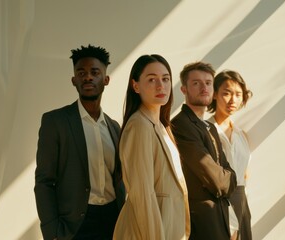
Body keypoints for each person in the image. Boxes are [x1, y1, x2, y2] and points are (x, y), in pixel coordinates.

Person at [34, 45, 125, 240]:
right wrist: (52, 232)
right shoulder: (55, 122)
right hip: (75, 226)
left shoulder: (115, 127)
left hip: (113, 221)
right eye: (81, 72)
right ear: (74, 80)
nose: (88, 77)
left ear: (106, 79)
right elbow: (44, 182)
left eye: (95, 72)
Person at [113, 54, 190, 240]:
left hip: (169, 228)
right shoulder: (139, 125)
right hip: (148, 233)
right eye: (151, 79)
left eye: (165, 79)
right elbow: (142, 194)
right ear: (136, 86)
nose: (160, 86)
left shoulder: (161, 126)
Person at [171, 62, 237, 240]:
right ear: (184, 89)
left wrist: (227, 179)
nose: (204, 88)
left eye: (208, 83)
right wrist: (226, 179)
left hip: (220, 217)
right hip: (200, 221)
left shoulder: (211, 127)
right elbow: (215, 178)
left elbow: (231, 175)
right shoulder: (180, 125)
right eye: (196, 83)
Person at [207, 70, 253, 240]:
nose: (233, 100)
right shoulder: (204, 131)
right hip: (215, 202)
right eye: (226, 93)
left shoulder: (242, 136)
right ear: (214, 95)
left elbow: (245, 175)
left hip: (241, 201)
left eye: (238, 94)